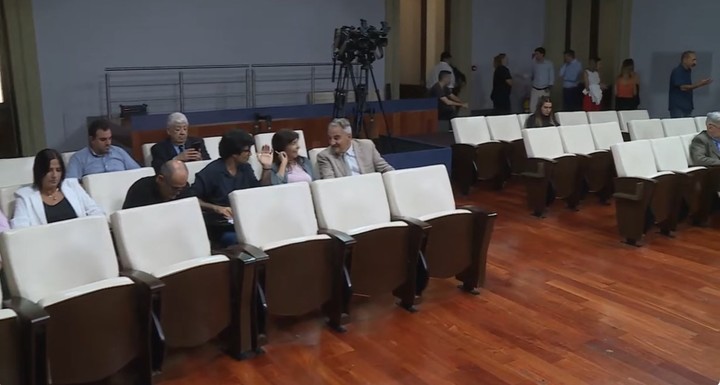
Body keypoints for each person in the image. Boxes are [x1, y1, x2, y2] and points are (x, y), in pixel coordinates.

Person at [191, 129, 272, 247]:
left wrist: (266, 168)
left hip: (247, 221)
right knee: (245, 242)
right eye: (246, 151)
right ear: (234, 153)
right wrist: (216, 208)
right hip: (222, 228)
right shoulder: (211, 172)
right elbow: (192, 199)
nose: (250, 154)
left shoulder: (246, 168)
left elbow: (259, 191)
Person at [12, 148, 104, 228]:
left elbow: (96, 211)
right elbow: (19, 229)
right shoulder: (25, 197)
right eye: (49, 170)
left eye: (58, 170)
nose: (54, 175)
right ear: (39, 171)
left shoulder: (72, 186)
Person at [316, 118, 394, 179]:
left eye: (336, 138)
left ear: (349, 137)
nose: (332, 142)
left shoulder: (367, 146)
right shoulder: (325, 156)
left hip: (369, 190)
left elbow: (386, 170)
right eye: (330, 138)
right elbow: (330, 183)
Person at [66, 119, 140, 179]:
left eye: (110, 138)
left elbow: (138, 173)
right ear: (92, 139)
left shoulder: (119, 152)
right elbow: (71, 184)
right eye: (103, 139)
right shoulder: (78, 158)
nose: (108, 143)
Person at [122, 160, 193, 209]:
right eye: (174, 188)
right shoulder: (140, 190)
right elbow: (128, 219)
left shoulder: (184, 188)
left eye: (181, 188)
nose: (178, 192)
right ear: (160, 179)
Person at [669, 51, 713, 118]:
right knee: (679, 127)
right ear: (685, 60)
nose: (695, 63)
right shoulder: (677, 71)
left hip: (687, 106)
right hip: (678, 107)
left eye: (695, 60)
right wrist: (699, 84)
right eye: (693, 60)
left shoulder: (688, 71)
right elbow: (683, 87)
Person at [530, 47, 555, 113]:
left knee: (545, 105)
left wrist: (550, 86)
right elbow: (532, 74)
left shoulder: (549, 64)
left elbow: (551, 76)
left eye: (537, 54)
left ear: (542, 54)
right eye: (535, 54)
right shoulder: (534, 63)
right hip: (535, 88)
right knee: (532, 106)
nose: (536, 56)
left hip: (544, 89)